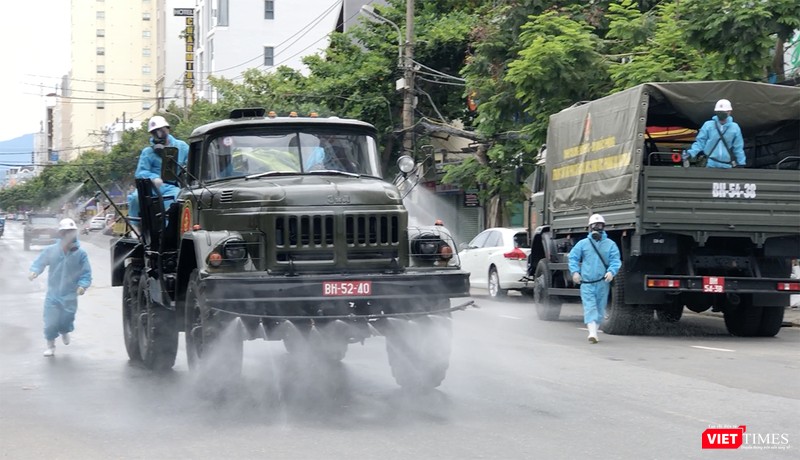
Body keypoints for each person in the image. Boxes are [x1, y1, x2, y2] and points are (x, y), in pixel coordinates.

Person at [28, 218, 92, 357]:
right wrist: (35, 271)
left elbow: (86, 273)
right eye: (66, 232)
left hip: (70, 294)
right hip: (53, 293)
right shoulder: (51, 250)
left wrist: (82, 286)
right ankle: (50, 345)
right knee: (50, 321)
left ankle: (65, 330)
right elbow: (40, 262)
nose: (69, 235)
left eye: (71, 232)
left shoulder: (80, 254)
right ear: (61, 234)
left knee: (66, 319)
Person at [568, 213, 621, 344]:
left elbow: (615, 260)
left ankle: (594, 331)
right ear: (590, 228)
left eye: (600, 226)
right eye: (595, 226)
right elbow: (573, 257)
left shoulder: (610, 245)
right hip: (587, 282)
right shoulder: (583, 244)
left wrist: (611, 272)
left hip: (602, 282)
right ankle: (592, 333)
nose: (597, 228)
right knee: (590, 306)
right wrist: (575, 272)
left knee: (600, 307)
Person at [127, 116, 190, 219]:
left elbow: (192, 161)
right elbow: (140, 172)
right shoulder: (147, 152)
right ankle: (136, 225)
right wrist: (153, 178)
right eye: (154, 132)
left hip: (172, 186)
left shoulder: (182, 147)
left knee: (177, 198)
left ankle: (170, 228)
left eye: (161, 130)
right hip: (151, 187)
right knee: (135, 198)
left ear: (167, 129)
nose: (158, 134)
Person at [683, 99, 746, 169]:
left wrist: (741, 163)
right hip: (710, 163)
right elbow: (700, 143)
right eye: (720, 111)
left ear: (730, 112)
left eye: (724, 111)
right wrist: (690, 153)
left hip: (727, 166)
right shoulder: (708, 125)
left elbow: (738, 147)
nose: (722, 113)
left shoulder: (735, 127)